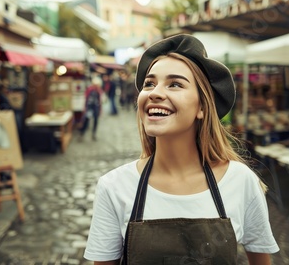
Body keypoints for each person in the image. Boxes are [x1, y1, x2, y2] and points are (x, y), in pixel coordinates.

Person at [84, 34, 279, 264]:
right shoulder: (113, 187)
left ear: (202, 107)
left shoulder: (241, 181)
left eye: (175, 84)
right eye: (149, 83)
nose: (154, 92)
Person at [79, 76, 103, 141]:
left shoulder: (99, 91)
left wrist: (100, 109)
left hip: (96, 107)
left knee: (96, 121)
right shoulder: (90, 89)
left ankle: (94, 133)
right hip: (89, 107)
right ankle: (82, 133)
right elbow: (86, 98)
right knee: (86, 120)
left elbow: (100, 101)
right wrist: (84, 107)